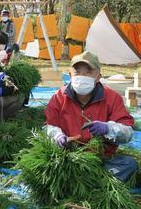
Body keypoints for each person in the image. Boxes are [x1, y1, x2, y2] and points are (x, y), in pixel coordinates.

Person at [44, 51, 138, 182]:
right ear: (70, 75)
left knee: (129, 164)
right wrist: (57, 136)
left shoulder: (112, 98)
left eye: (88, 72)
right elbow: (49, 126)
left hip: (101, 159)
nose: (82, 77)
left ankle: (85, 181)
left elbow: (128, 133)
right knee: (48, 167)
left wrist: (108, 129)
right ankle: (93, 181)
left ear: (98, 76)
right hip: (69, 157)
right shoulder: (59, 97)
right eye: (77, 72)